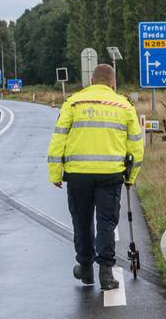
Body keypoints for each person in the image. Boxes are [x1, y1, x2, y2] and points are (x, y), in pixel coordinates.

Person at [47, 64, 143, 290]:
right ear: (113, 82)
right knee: (107, 222)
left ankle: (86, 268)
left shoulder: (73, 103)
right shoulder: (124, 106)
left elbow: (58, 140)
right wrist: (131, 176)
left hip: (78, 174)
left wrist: (55, 173)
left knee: (81, 221)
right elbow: (136, 148)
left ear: (91, 81)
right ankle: (106, 274)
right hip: (110, 175)